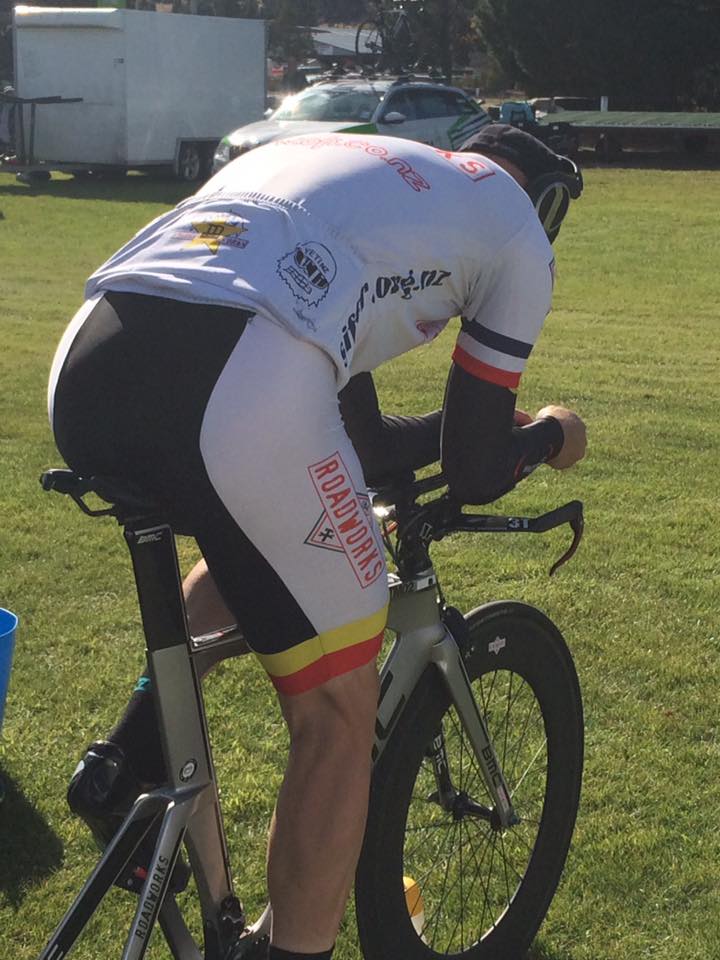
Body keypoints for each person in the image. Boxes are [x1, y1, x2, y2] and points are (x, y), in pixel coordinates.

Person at [47, 123, 586, 960]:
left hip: (92, 360)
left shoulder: (373, 177)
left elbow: (360, 441)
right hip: (240, 374)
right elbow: (474, 469)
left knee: (250, 540)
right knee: (340, 708)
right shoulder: (513, 225)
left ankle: (129, 758)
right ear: (544, 202)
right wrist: (550, 435)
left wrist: (470, 432)